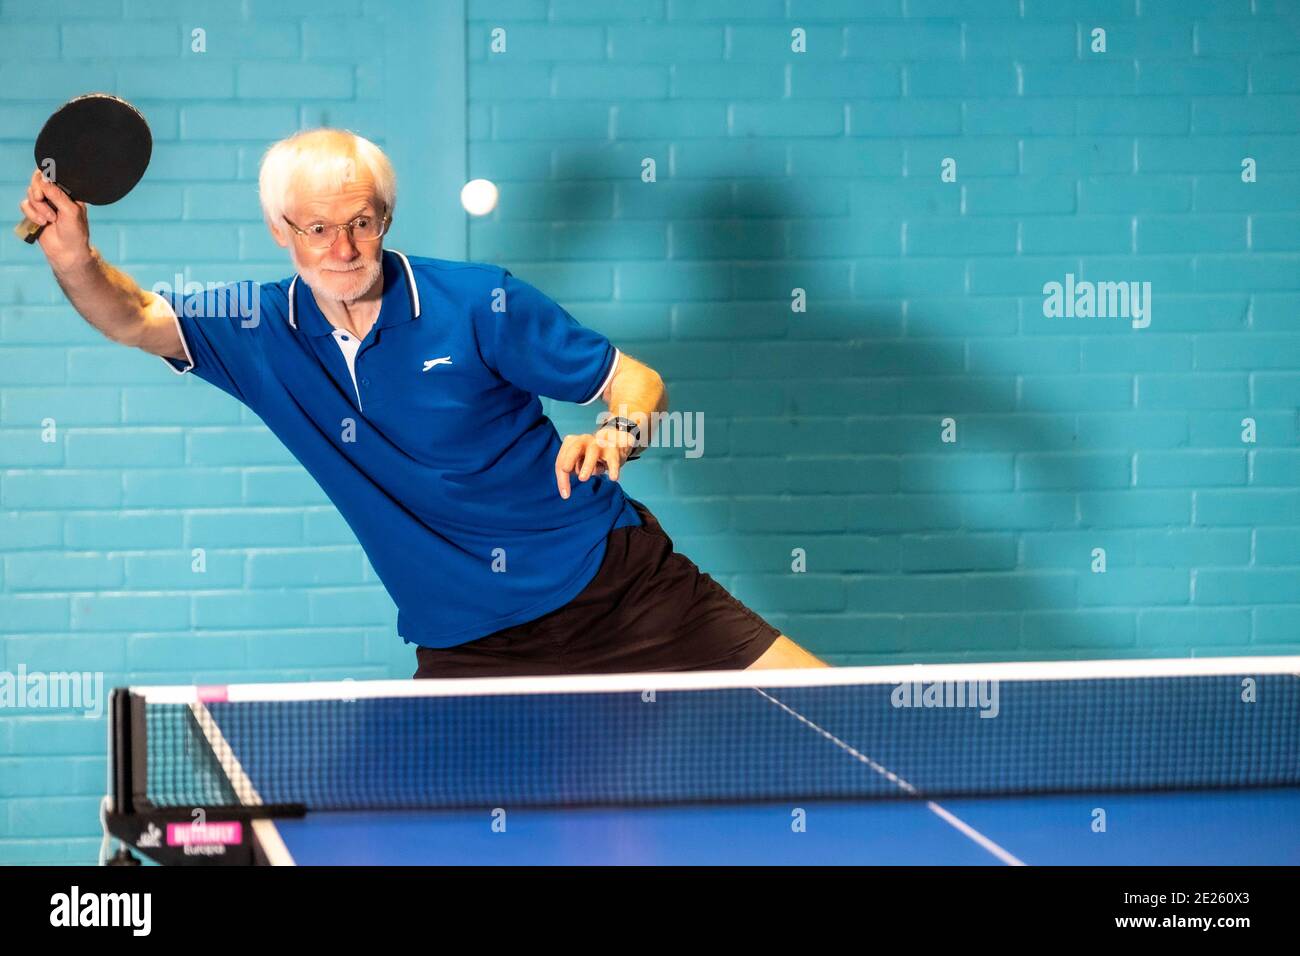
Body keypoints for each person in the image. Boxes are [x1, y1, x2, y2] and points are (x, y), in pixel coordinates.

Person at [18, 128, 827, 677]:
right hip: (468, 643)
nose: (341, 249)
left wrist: (617, 430)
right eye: (317, 229)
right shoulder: (255, 327)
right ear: (279, 231)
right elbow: (133, 316)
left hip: (616, 585)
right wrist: (73, 256)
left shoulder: (478, 303)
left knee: (843, 718)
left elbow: (636, 381)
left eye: (361, 222)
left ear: (386, 217)